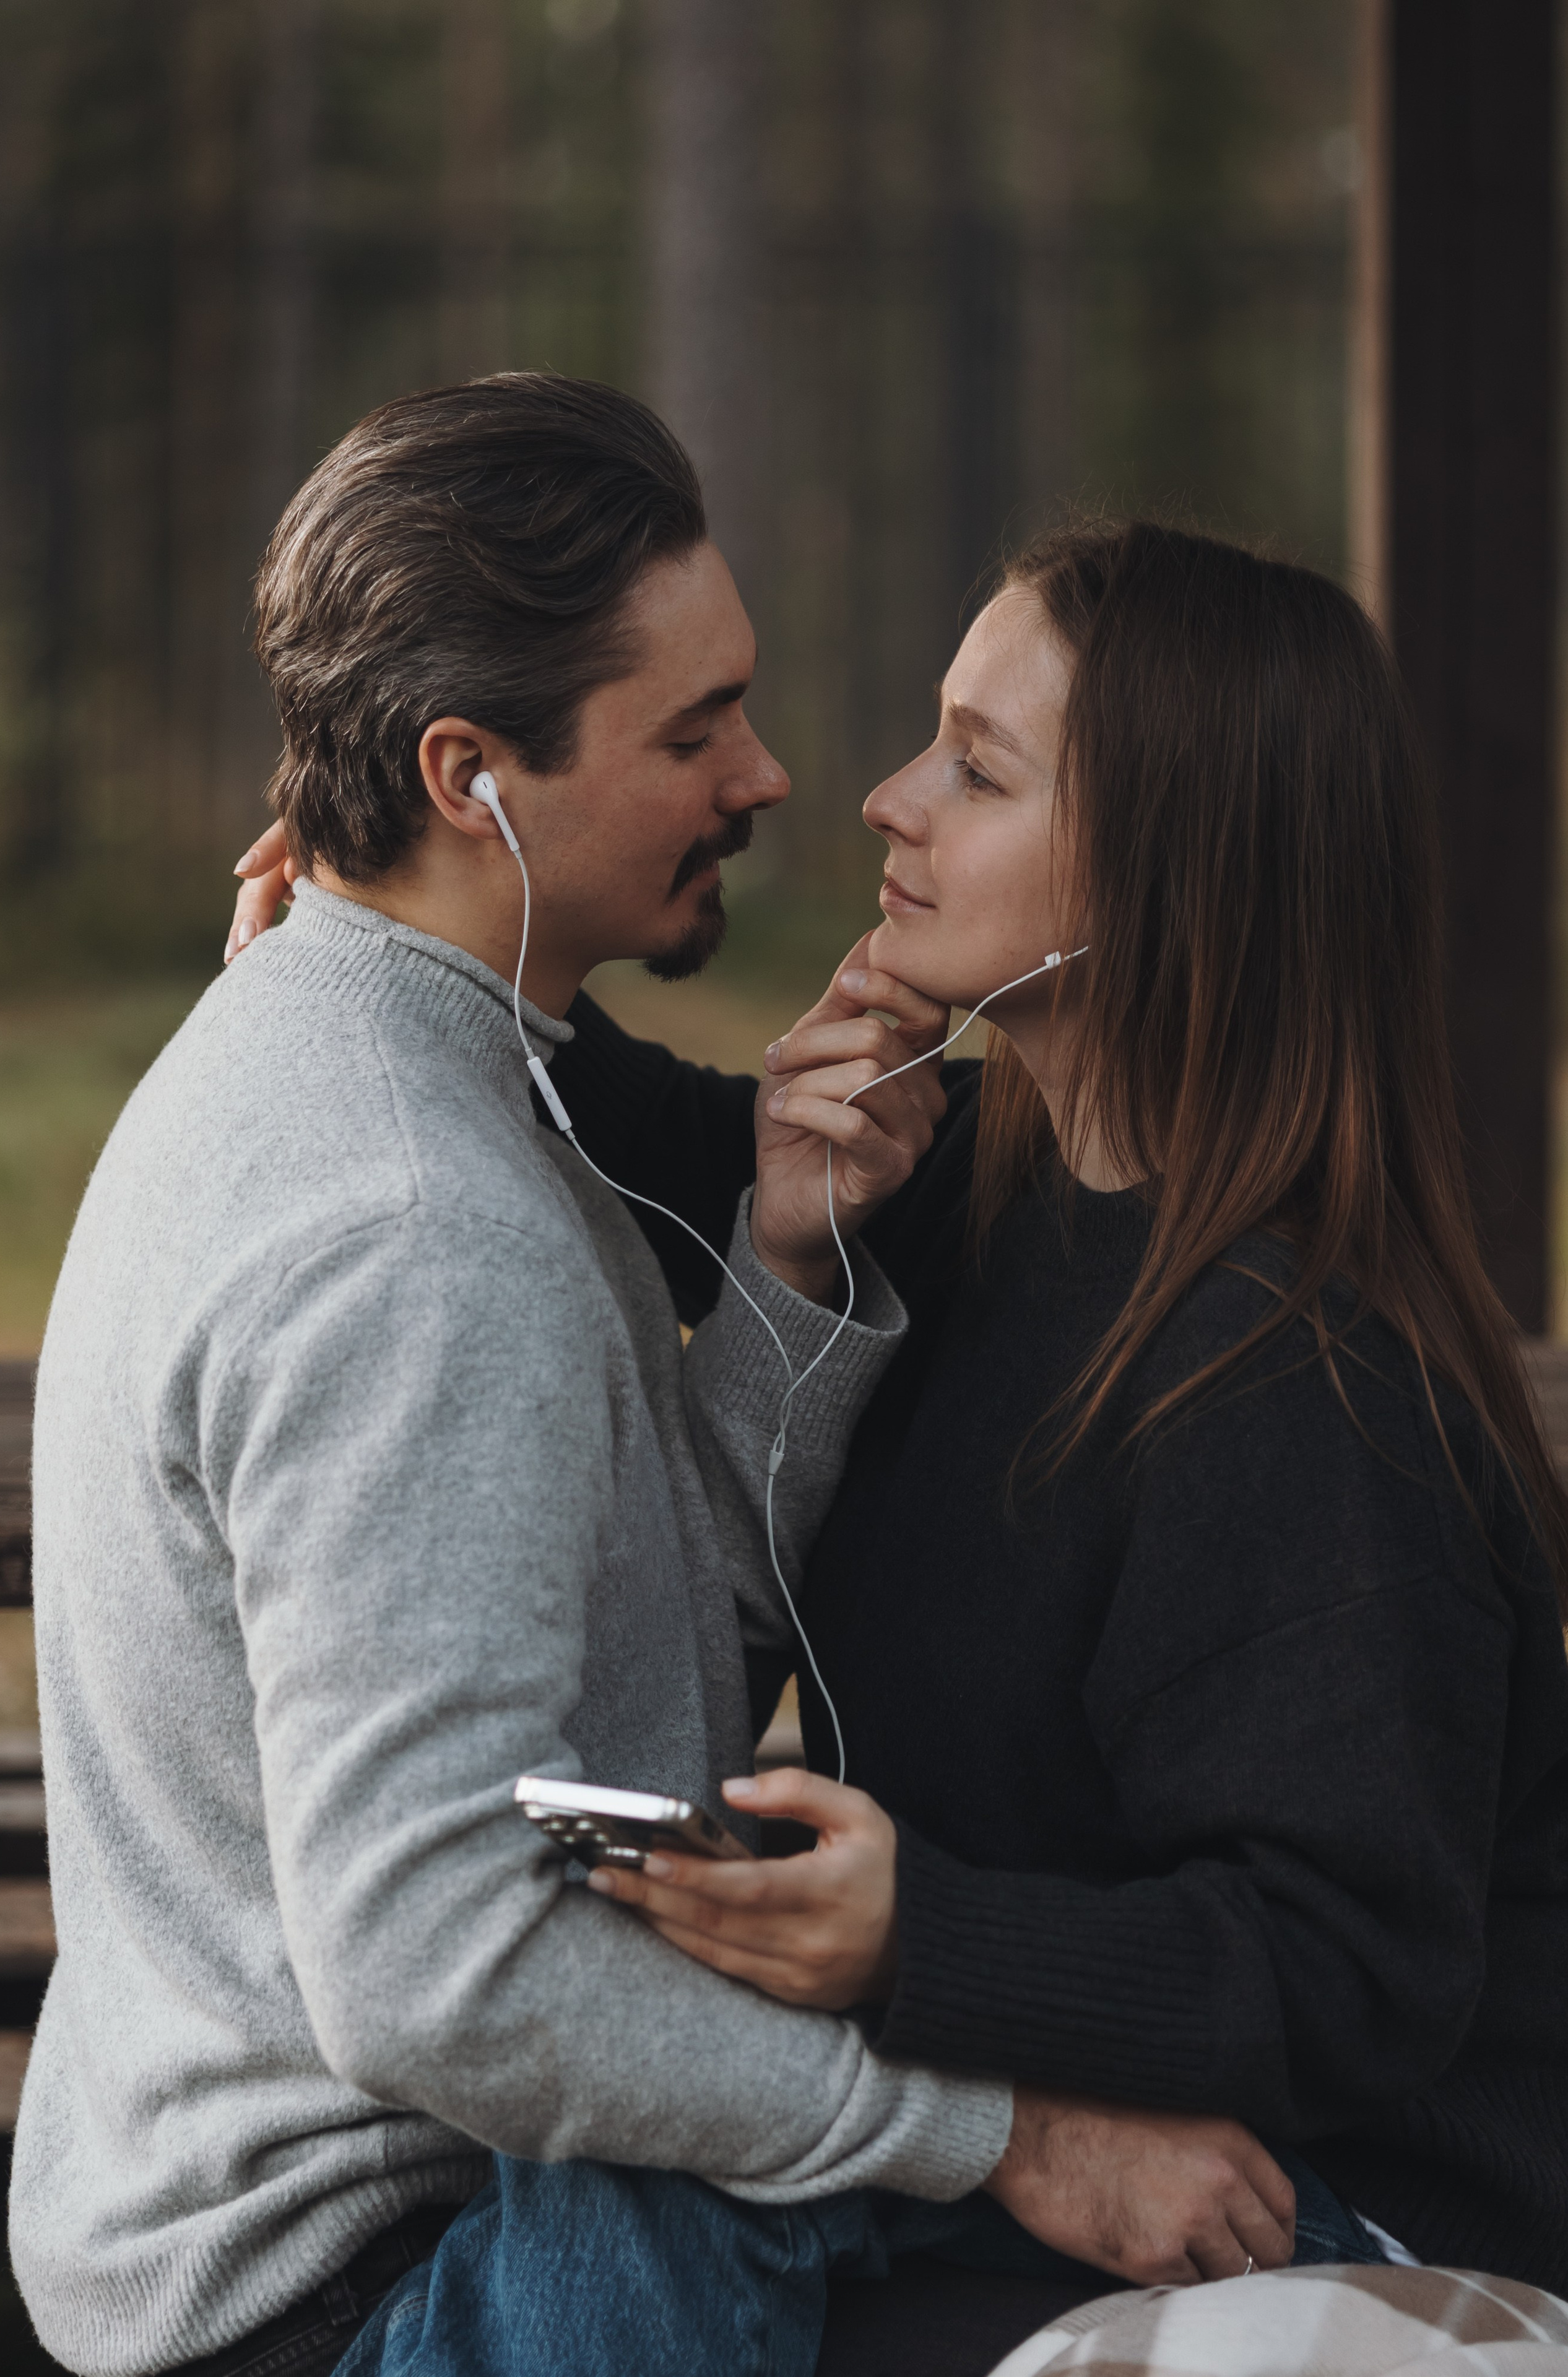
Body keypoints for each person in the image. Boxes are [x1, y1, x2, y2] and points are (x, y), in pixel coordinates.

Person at [15, 387, 1291, 2377]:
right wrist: (1004, 2138)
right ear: (472, 778)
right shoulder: (419, 1230)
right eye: (691, 733)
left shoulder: (360, 1050)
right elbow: (446, 1973)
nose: (778, 776)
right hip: (397, 2291)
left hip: (346, 2221)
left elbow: (633, 1644)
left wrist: (784, 1268)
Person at [545, 521, 1568, 2310]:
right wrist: (389, 931)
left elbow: (1349, 1967)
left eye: (977, 766)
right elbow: (684, 1151)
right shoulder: (987, 1188)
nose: (885, 797)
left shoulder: (1301, 1389)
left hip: (1315, 2227)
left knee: (634, 2219)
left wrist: (918, 1943)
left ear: (1172, 874)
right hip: (1069, 2129)